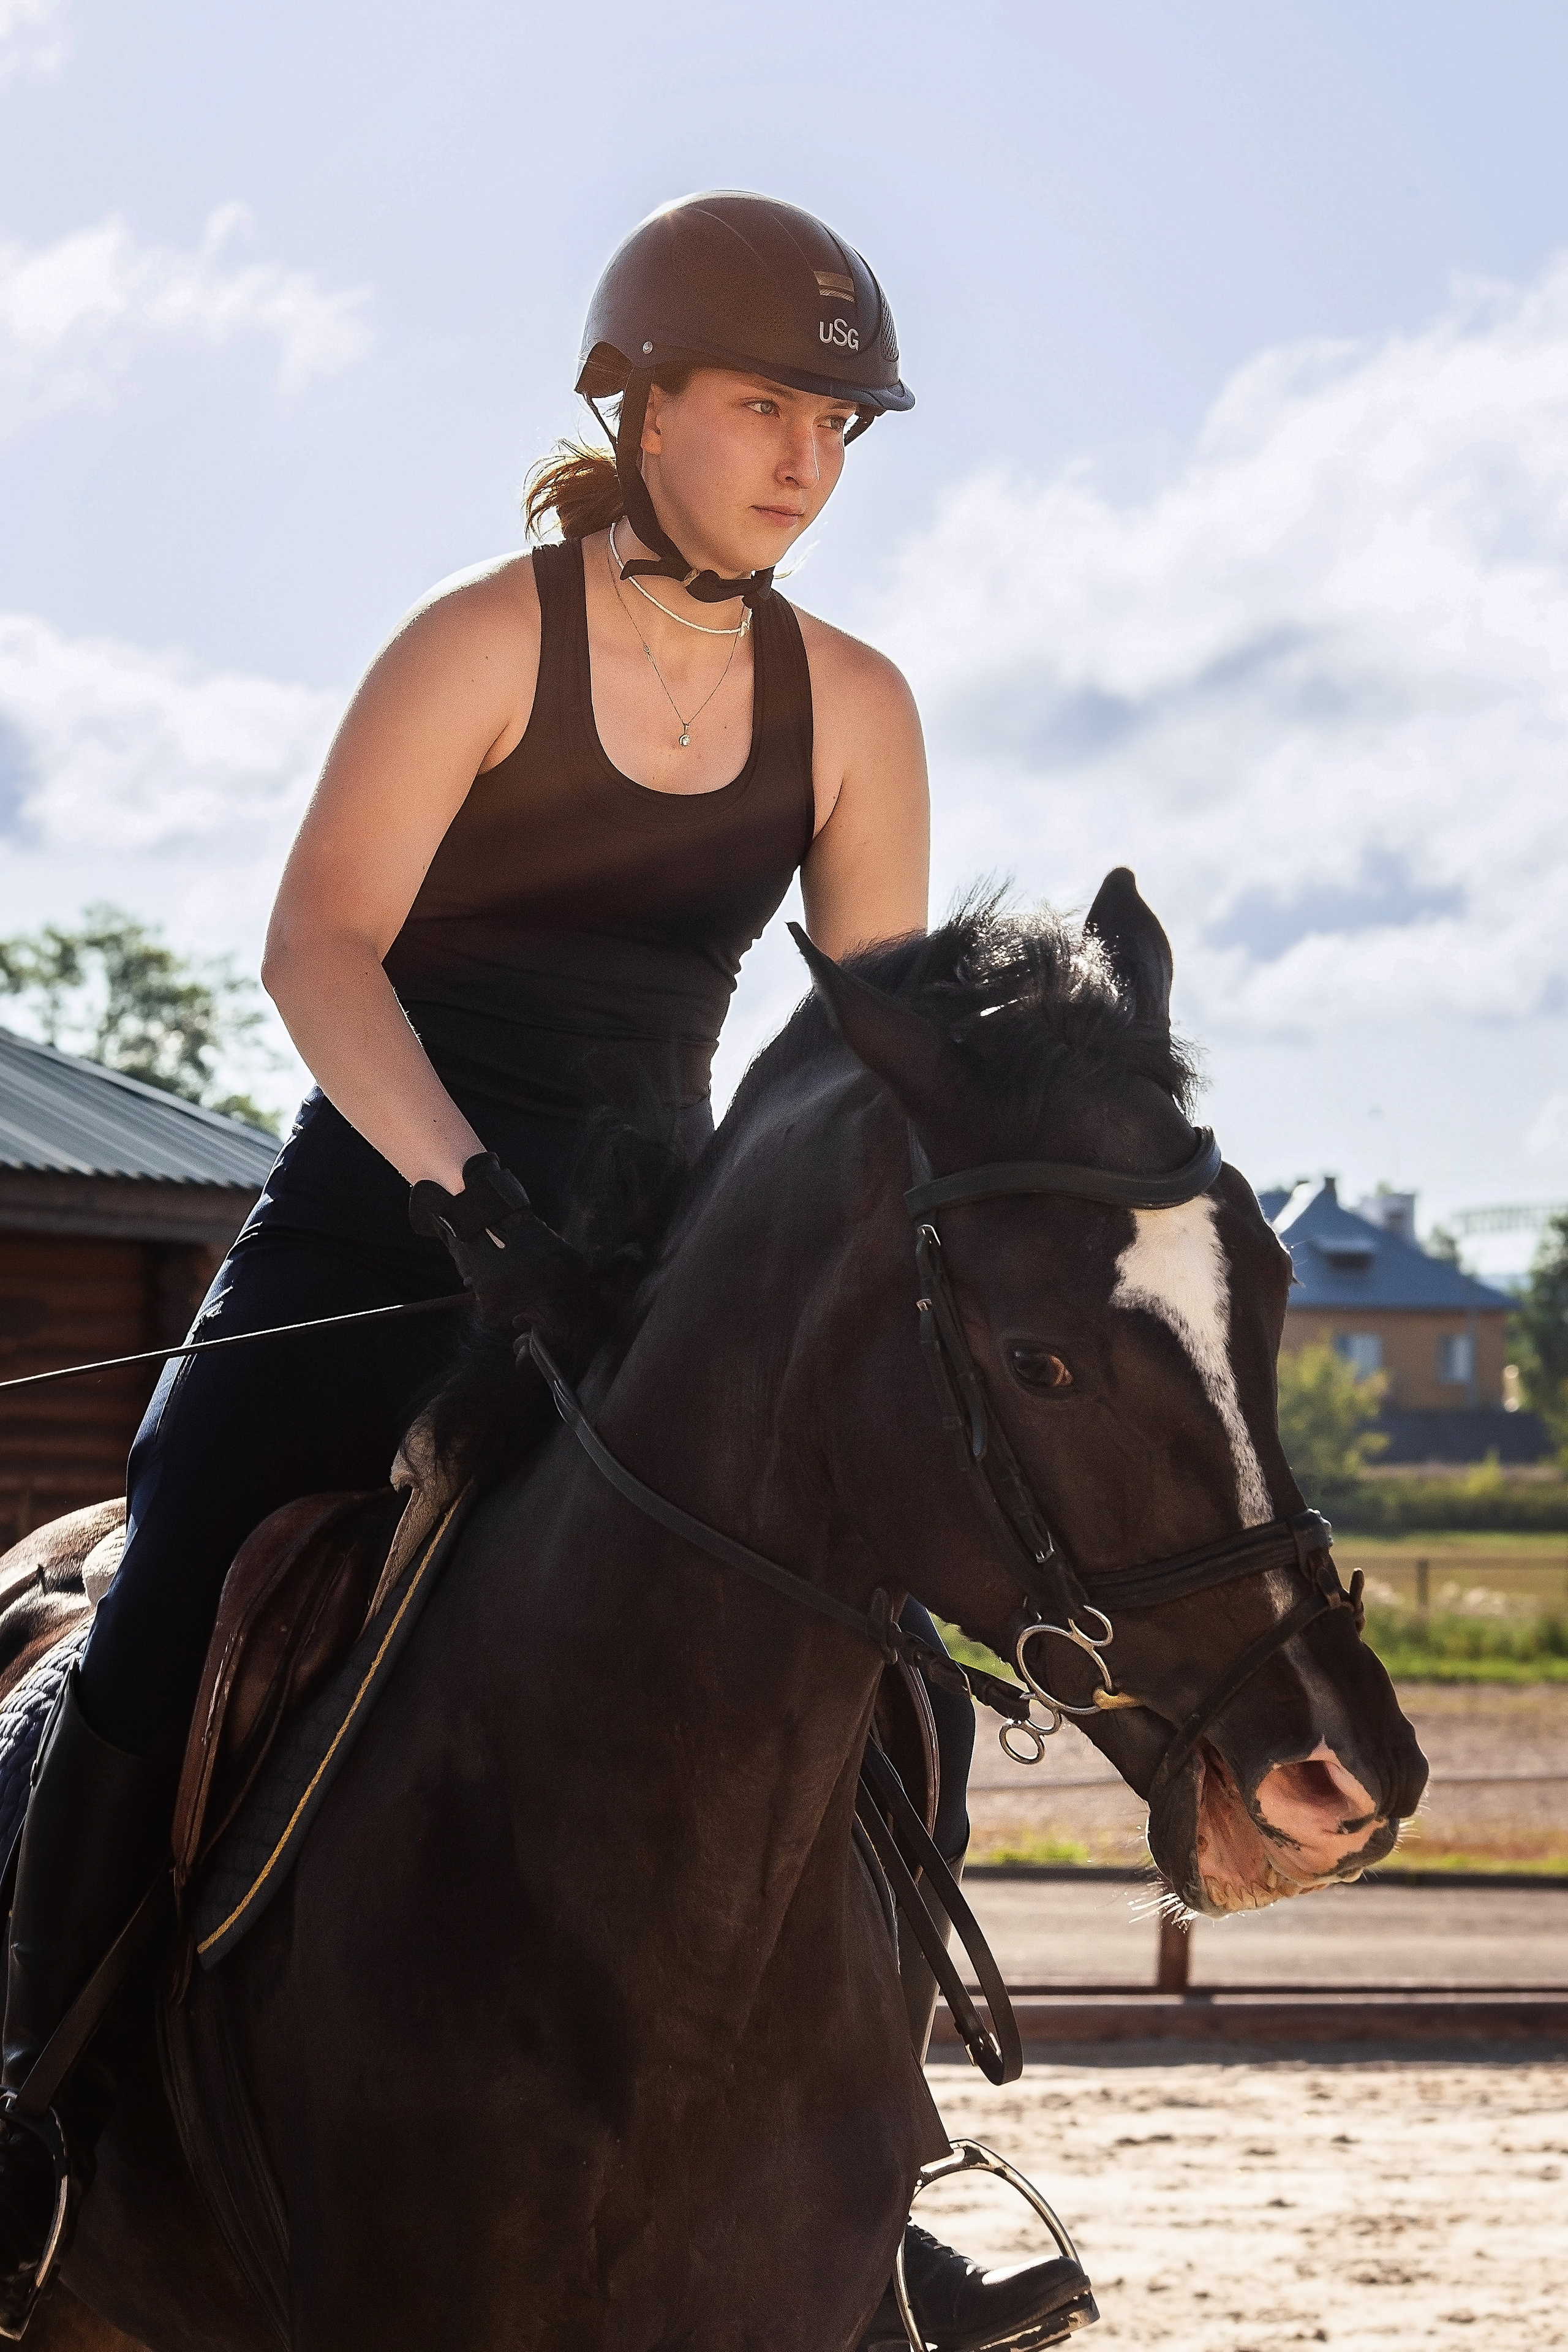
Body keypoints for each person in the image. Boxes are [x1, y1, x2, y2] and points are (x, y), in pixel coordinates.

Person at [0, 192, 1090, 2351]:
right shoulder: (480, 643)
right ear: (642, 404)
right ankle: (31, 2111)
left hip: (652, 1267)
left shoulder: (855, 705)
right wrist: (468, 1197)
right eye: (765, 405)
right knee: (173, 1573)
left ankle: (884, 2180)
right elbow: (318, 949)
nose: (805, 456)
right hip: (380, 1214)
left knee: (871, 1653)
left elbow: (851, 1056)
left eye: (841, 421)